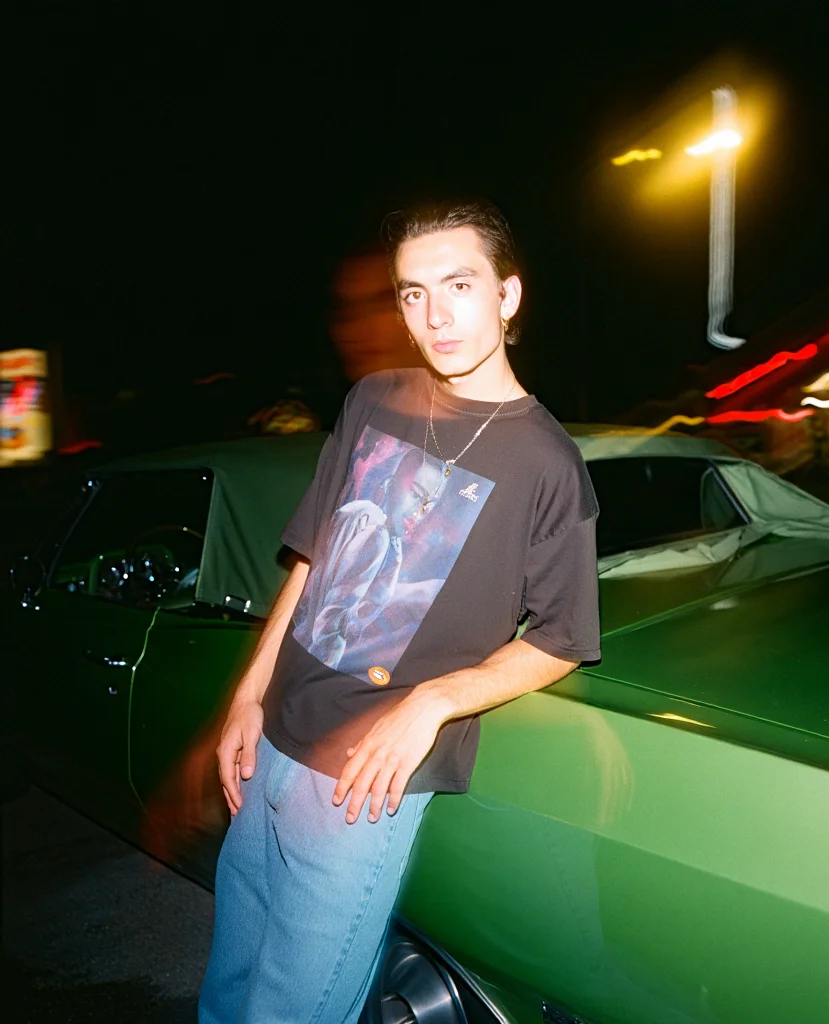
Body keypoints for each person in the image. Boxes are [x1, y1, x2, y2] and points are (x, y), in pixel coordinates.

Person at [198, 199, 601, 1023]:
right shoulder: (373, 399)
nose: (435, 314)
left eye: (459, 284)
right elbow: (313, 557)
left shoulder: (546, 463)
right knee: (228, 987)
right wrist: (248, 695)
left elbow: (563, 637)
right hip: (273, 741)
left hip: (363, 786)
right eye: (413, 292)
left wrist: (434, 699)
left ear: (508, 296)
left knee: (290, 1013)